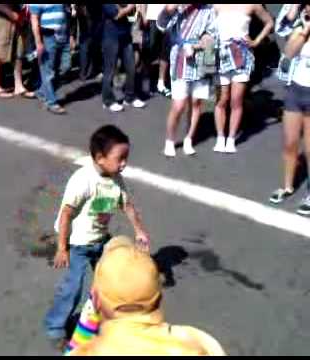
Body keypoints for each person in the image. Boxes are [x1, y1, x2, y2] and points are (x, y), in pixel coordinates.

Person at [43, 125, 151, 350]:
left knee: (111, 278)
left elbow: (127, 206)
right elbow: (66, 214)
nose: (124, 164)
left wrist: (139, 231)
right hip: (77, 243)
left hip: (100, 240)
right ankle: (55, 325)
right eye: (120, 158)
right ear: (100, 158)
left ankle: (105, 316)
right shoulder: (83, 181)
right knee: (74, 287)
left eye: (126, 158)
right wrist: (62, 248)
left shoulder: (116, 180)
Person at [66, 235, 226, 356]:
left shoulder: (88, 352)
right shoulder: (198, 343)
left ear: (96, 301)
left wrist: (91, 314)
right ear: (159, 297)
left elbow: (74, 350)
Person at [213, 4, 274, 154]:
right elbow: (207, 27)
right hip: (221, 55)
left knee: (236, 100)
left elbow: (269, 22)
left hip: (241, 55)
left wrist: (256, 41)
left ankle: (231, 139)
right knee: (222, 99)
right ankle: (220, 138)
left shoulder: (252, 4)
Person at [157, 4, 216, 157]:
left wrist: (198, 45)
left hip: (202, 58)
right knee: (179, 105)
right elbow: (161, 25)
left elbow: (212, 34)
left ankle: (189, 139)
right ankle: (170, 140)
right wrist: (169, 9)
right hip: (180, 59)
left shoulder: (208, 10)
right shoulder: (179, 8)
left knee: (196, 103)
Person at [269, 4, 310, 217]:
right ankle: (287, 186)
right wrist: (304, 29)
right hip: (295, 89)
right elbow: (289, 52)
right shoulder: (300, 23)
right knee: (290, 142)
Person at [101, 5, 146, 113]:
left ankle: (129, 97)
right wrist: (130, 7)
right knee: (110, 70)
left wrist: (137, 15)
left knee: (131, 67)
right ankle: (108, 101)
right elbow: (117, 15)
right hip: (111, 37)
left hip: (126, 37)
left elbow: (130, 17)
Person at [29, 4, 69, 115]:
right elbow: (34, 19)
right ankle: (52, 102)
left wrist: (70, 36)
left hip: (62, 34)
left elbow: (65, 13)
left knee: (66, 65)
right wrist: (38, 42)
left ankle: (42, 92)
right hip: (48, 36)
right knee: (48, 71)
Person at [0, 4, 35, 99]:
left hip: (20, 16)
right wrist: (11, 14)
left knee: (19, 52)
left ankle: (18, 85)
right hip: (3, 17)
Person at [137, 4, 171, 97]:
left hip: (168, 19)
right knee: (149, 51)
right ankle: (144, 82)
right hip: (152, 18)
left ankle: (161, 84)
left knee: (165, 52)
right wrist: (144, 15)